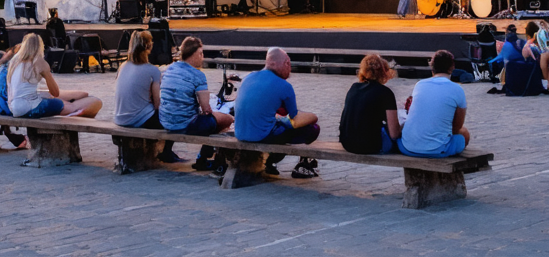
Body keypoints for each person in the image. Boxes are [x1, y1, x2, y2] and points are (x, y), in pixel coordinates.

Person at [233, 46, 320, 179]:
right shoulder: (284, 86)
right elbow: (295, 118)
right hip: (260, 136)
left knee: (278, 124)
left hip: (240, 133)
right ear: (280, 63)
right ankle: (272, 161)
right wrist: (314, 117)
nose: (289, 67)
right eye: (287, 63)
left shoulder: (249, 77)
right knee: (311, 129)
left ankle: (270, 162)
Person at [158, 36, 234, 171]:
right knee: (226, 119)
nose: (202, 57)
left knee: (183, 112)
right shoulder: (198, 75)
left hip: (165, 120)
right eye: (200, 53)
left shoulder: (169, 69)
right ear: (192, 54)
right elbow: (206, 109)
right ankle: (205, 158)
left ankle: (201, 157)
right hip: (186, 124)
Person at [6, 34, 101, 118]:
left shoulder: (14, 61)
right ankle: (72, 115)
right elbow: (55, 92)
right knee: (60, 103)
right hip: (30, 108)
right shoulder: (39, 62)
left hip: (15, 108)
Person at [112, 30, 175, 158]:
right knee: (174, 118)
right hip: (138, 119)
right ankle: (166, 152)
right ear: (149, 46)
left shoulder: (123, 66)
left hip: (120, 118)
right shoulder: (152, 70)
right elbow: (157, 104)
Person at [398, 50, 470, 158]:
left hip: (407, 147)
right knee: (464, 134)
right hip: (437, 149)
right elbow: (457, 127)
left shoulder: (419, 85)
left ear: (432, 68)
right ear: (452, 68)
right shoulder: (457, 89)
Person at [338, 54, 401, 154]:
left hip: (347, 143)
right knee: (401, 142)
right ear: (384, 72)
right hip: (370, 146)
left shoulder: (353, 88)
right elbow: (394, 134)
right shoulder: (385, 92)